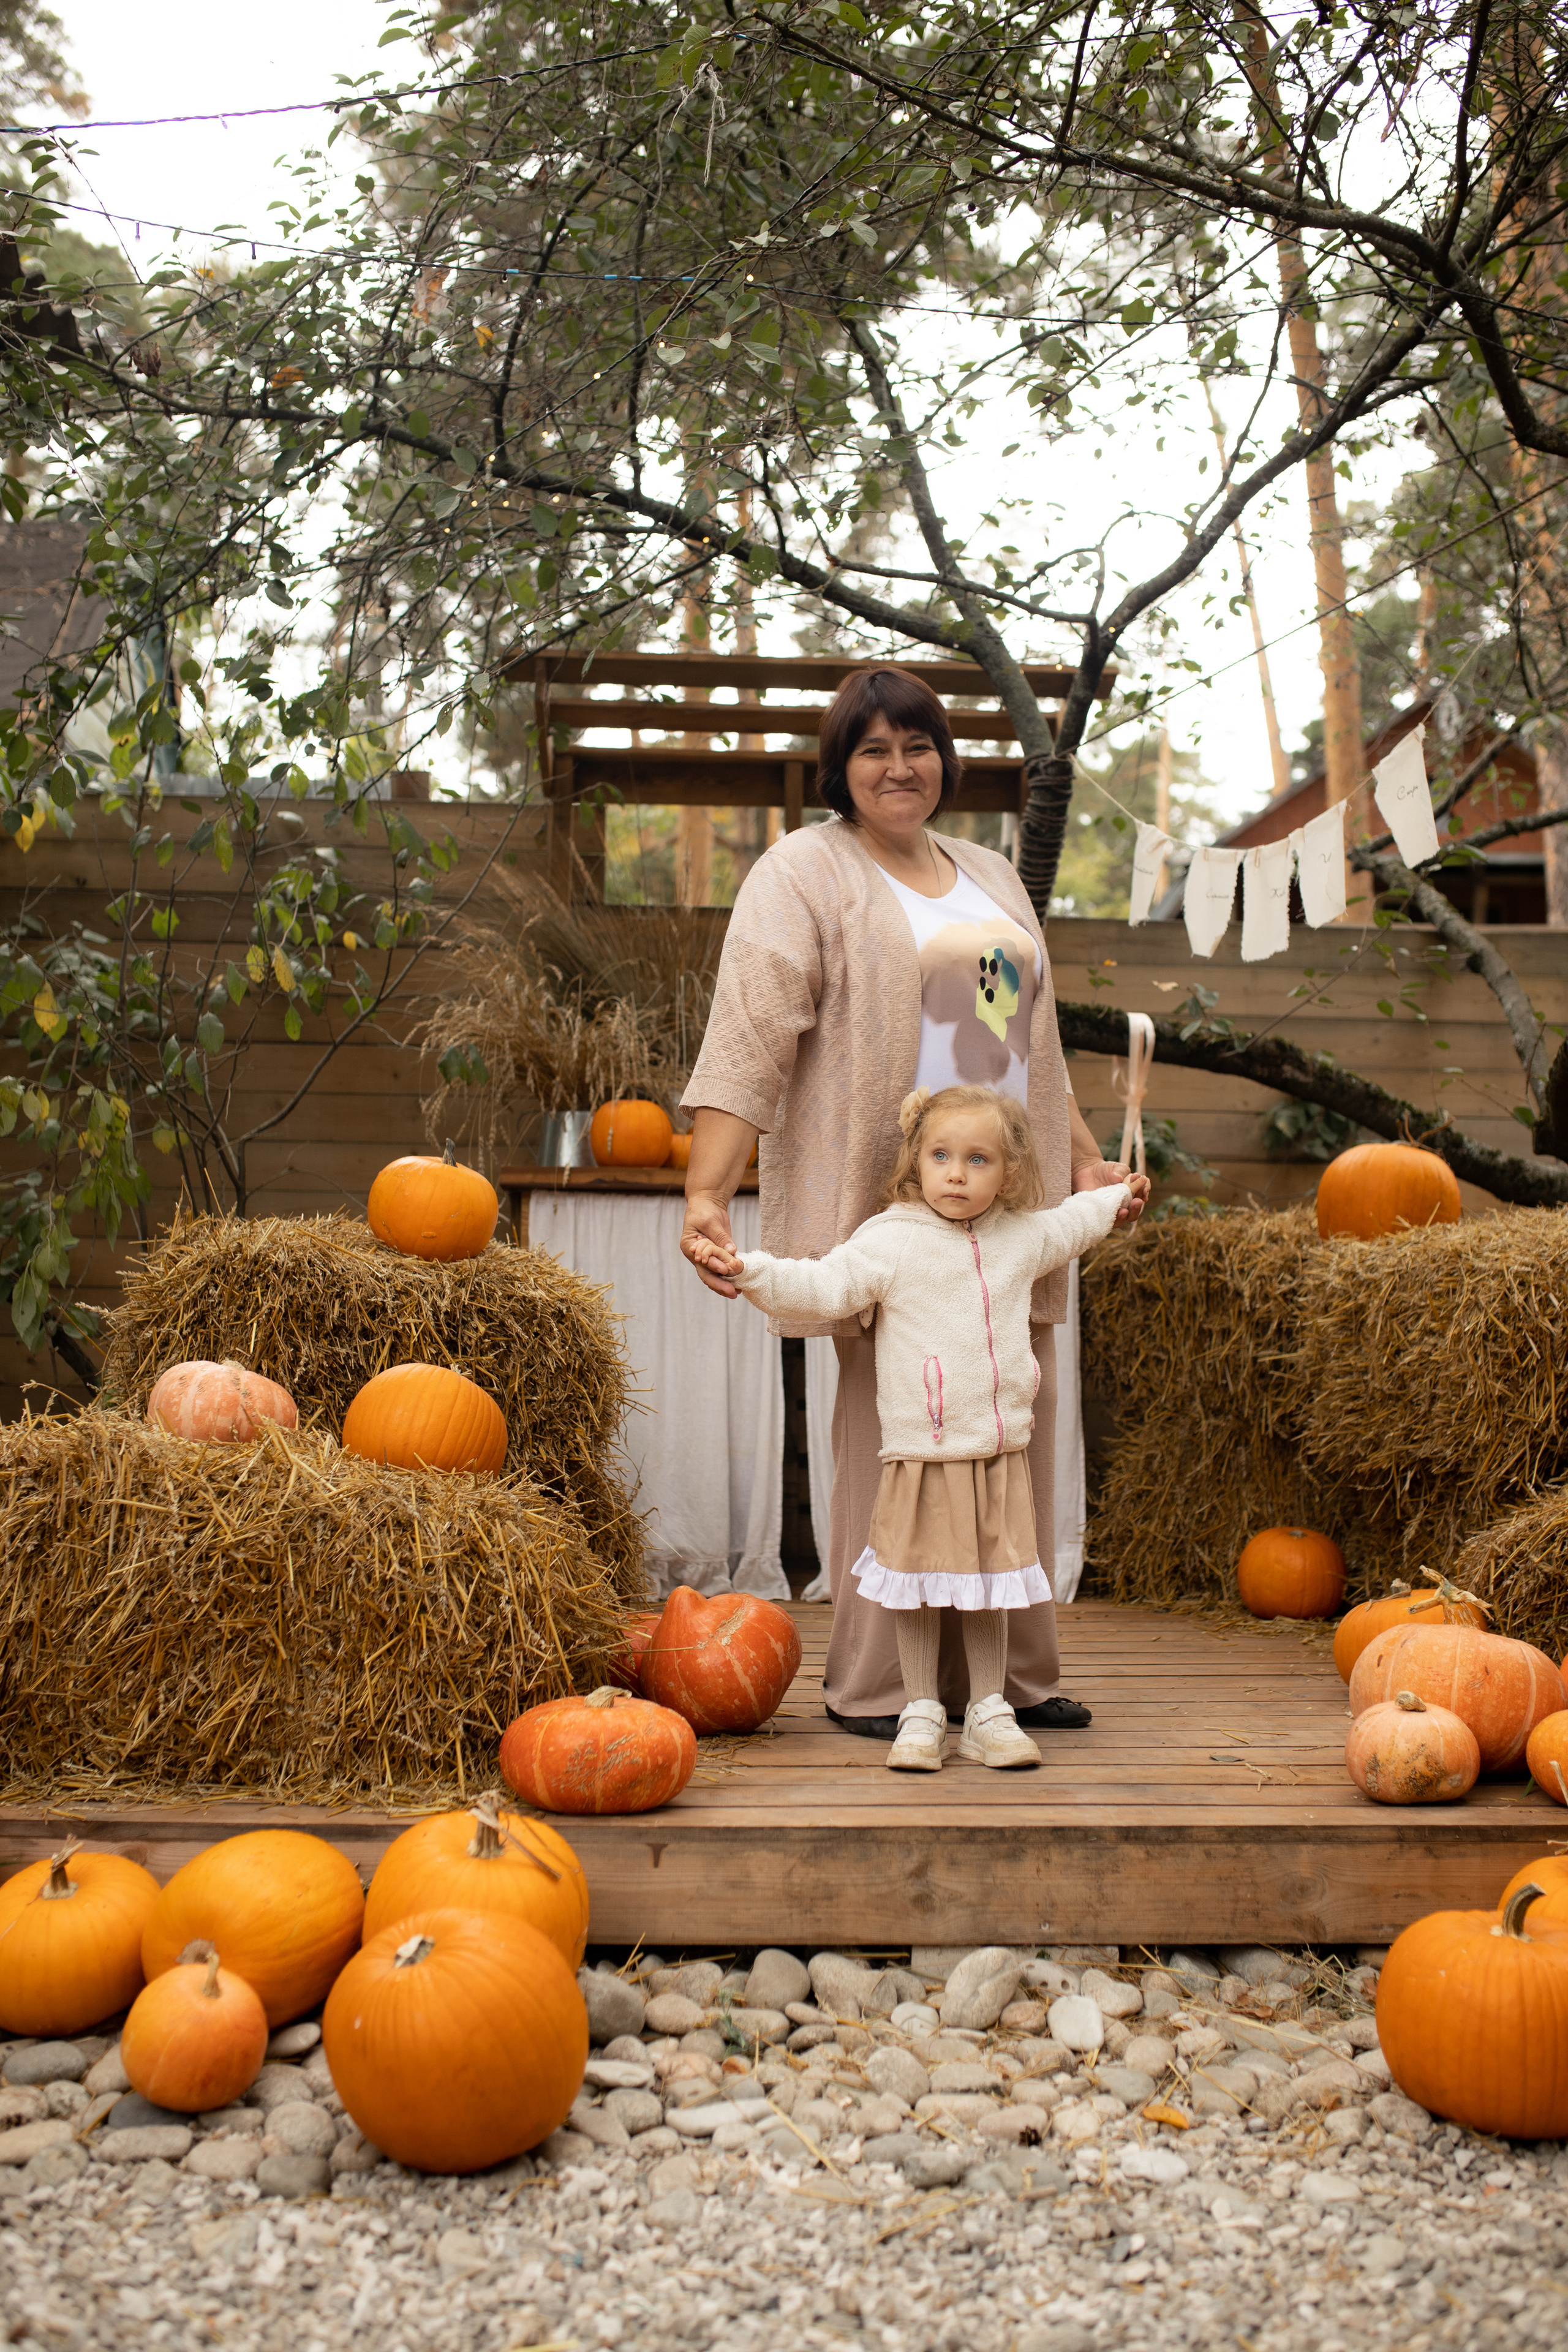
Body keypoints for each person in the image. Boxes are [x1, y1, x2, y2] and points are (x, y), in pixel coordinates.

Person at [679, 663, 1149, 1736]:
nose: (902, 768)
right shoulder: (804, 871)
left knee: (1010, 1434)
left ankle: (1012, 1681)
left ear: (947, 760)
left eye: (920, 745)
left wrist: (1083, 1165)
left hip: (1009, 1204)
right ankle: (885, 1686)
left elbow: (1035, 1045)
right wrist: (708, 1191)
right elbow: (750, 1036)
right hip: (891, 1203)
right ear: (841, 769)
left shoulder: (987, 871)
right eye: (875, 750)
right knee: (897, 1443)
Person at [691, 1085, 1129, 1768]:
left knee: (992, 1586)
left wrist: (1115, 1194)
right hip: (921, 1455)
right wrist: (748, 1270)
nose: (956, 1173)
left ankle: (988, 1711)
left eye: (977, 1159)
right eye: (941, 1155)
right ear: (916, 1162)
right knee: (919, 1584)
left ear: (1007, 1174)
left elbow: (1076, 1221)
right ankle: (921, 1709)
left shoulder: (1021, 1236)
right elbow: (822, 1284)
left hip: (995, 1452)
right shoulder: (889, 1239)